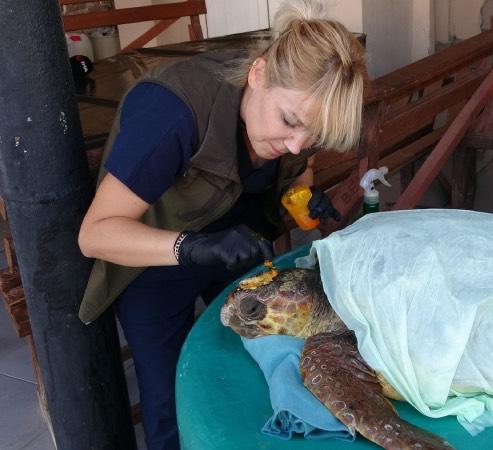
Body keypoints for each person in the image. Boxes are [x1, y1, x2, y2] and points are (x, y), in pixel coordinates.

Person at [76, 1, 367, 448]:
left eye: (313, 138)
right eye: (289, 122)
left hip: (236, 239)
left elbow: (296, 170)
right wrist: (190, 248)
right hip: (149, 256)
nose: (294, 145)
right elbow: (95, 234)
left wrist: (304, 198)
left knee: (256, 362)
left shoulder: (291, 121)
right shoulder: (171, 109)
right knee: (170, 397)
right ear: (258, 73)